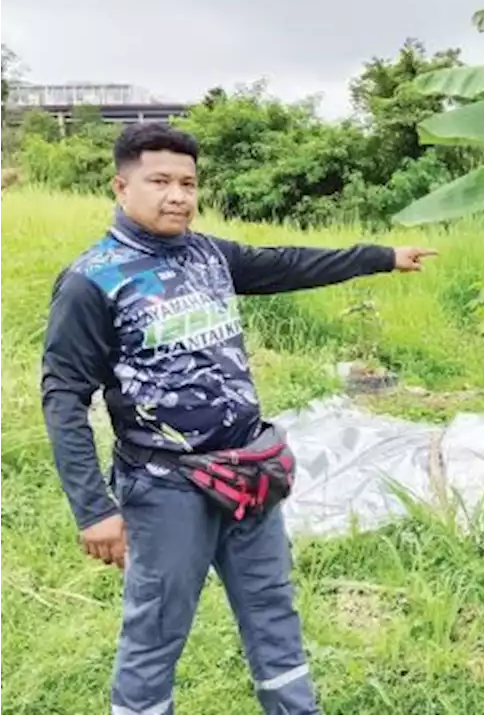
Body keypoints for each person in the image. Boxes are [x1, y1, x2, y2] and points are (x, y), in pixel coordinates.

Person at [40, 122, 434, 715]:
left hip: (250, 472)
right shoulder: (93, 282)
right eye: (161, 182)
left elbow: (287, 263)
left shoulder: (209, 254)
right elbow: (64, 396)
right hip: (166, 485)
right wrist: (95, 508)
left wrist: (380, 257)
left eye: (188, 182)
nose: (178, 195)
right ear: (122, 187)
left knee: (273, 609)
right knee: (156, 629)